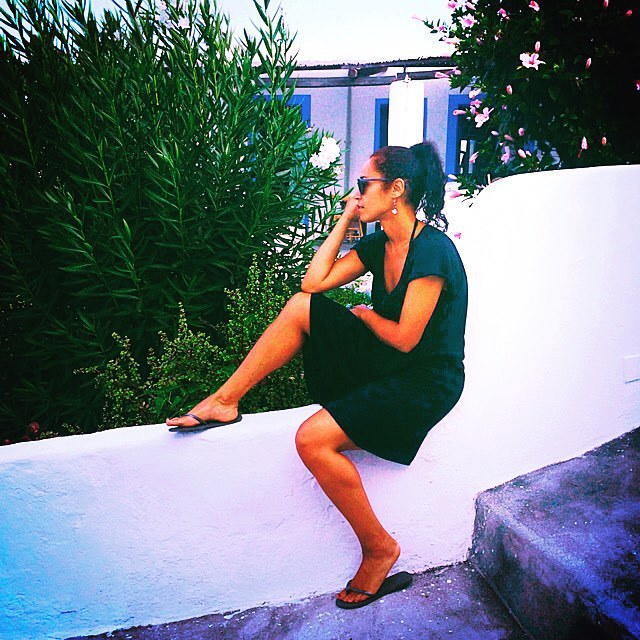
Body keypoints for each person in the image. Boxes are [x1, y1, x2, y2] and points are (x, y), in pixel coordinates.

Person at [166, 141, 468, 610]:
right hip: (390, 361)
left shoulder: (432, 252)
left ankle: (379, 549)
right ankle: (224, 401)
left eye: (365, 184)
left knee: (312, 440)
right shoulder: (380, 244)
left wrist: (365, 316)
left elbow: (407, 338)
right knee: (301, 306)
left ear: (396, 189)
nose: (357, 192)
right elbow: (314, 283)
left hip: (425, 380)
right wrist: (346, 219)